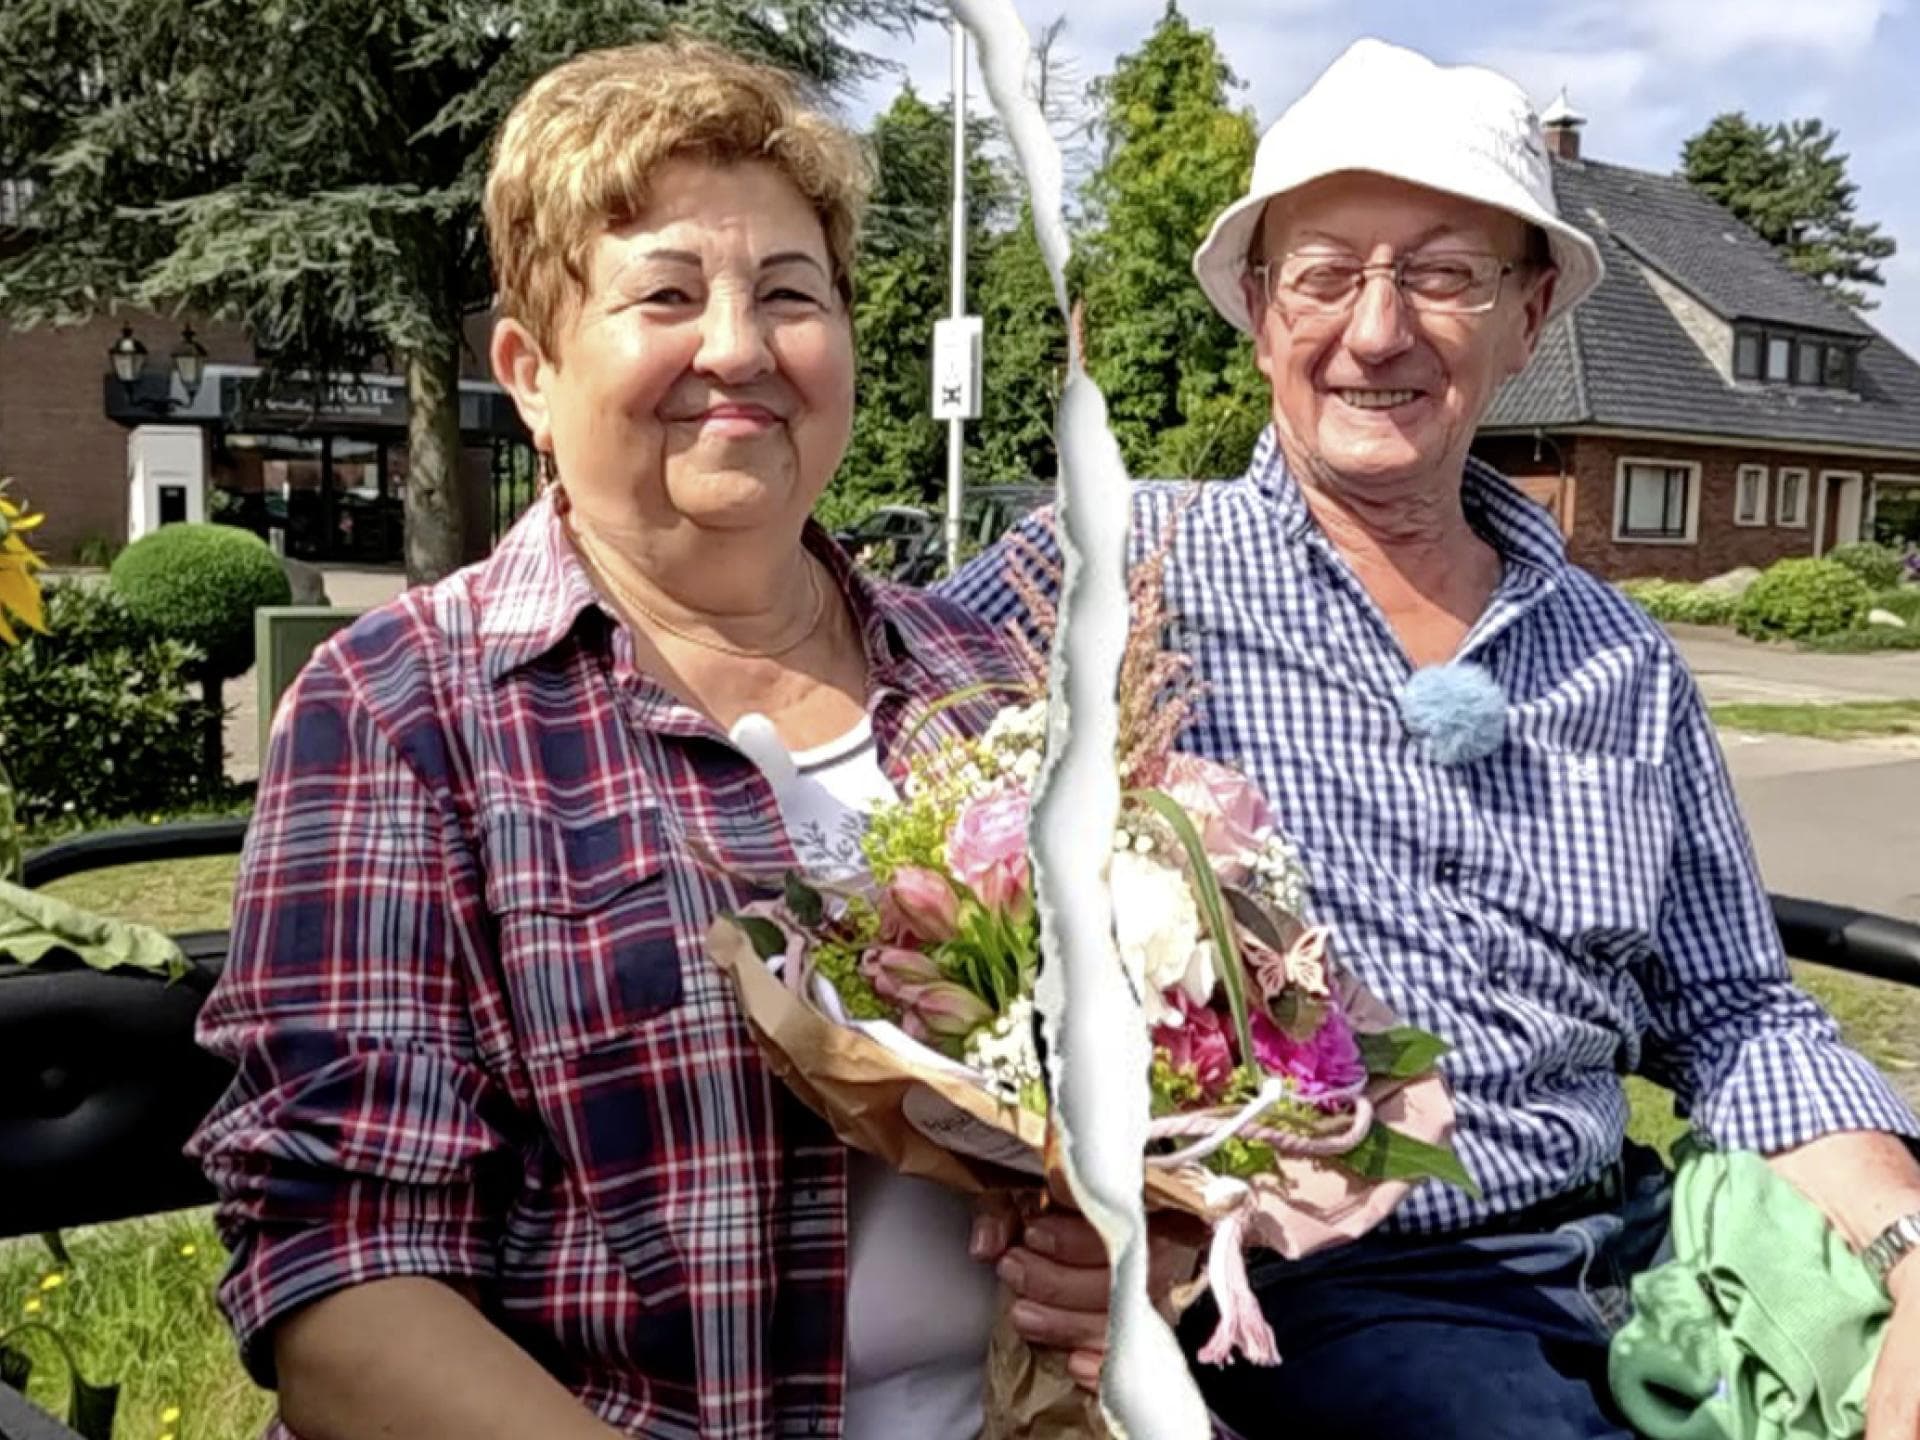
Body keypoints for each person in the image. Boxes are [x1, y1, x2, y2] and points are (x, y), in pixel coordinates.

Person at [944, 38, 1920, 1440]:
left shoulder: (1618, 654)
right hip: (1340, 1290)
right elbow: (849, 755)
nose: (1380, 329)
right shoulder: (1111, 574)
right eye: (1328, 274)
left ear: (1529, 320)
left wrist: (1904, 1250)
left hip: (1640, 1250)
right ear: (1262, 312)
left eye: (1445, 275)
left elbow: (1738, 1010)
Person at [188, 42, 1156, 1440]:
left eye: (789, 295)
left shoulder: (996, 690)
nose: (740, 348)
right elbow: (341, 1287)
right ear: (529, 370)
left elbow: (1145, 1109)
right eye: (664, 295)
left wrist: (1144, 1238)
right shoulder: (404, 711)